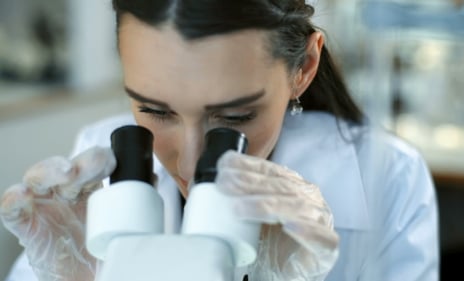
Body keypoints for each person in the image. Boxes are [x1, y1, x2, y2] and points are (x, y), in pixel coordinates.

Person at [0, 0, 439, 280]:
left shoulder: (388, 176)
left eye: (235, 116)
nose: (190, 165)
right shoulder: (95, 162)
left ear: (304, 66)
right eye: (153, 110)